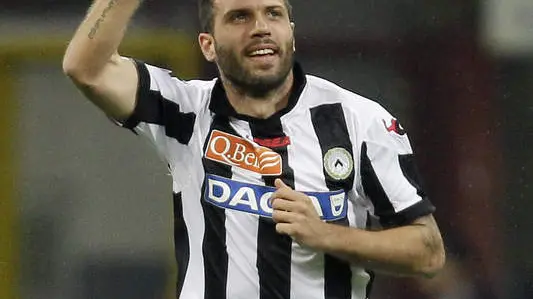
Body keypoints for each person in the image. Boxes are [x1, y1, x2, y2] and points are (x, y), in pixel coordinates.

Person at [62, 0, 446, 298]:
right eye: (240, 17)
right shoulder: (186, 112)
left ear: (291, 32)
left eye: (273, 14)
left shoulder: (360, 121)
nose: (261, 28)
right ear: (208, 45)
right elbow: (87, 68)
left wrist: (327, 235)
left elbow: (428, 252)